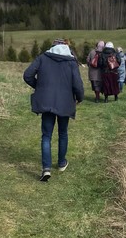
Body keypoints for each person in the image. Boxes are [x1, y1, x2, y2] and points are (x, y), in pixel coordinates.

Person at [23, 38, 84, 182]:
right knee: (63, 133)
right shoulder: (71, 62)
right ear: (66, 48)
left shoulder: (43, 58)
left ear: (52, 47)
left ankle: (46, 169)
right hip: (65, 102)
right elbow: (78, 84)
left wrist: (40, 87)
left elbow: (27, 75)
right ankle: (61, 163)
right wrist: (79, 98)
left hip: (46, 102)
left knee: (46, 135)